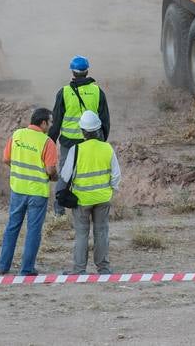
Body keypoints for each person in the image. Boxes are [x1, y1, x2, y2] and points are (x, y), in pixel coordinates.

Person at [0, 107, 58, 277]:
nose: (51, 126)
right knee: (33, 231)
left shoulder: (17, 135)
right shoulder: (47, 142)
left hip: (18, 189)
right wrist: (54, 177)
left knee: (12, 227)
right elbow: (50, 169)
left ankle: (3, 266)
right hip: (37, 192)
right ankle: (27, 269)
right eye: (50, 122)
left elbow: (6, 159)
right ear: (43, 123)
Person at [60, 110, 120, 276]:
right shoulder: (107, 148)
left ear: (82, 131)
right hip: (103, 198)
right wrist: (111, 190)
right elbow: (116, 176)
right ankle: (104, 269)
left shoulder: (76, 150)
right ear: (98, 129)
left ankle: (79, 270)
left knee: (81, 234)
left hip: (81, 200)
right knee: (101, 232)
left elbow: (65, 175)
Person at [48, 54, 110, 215]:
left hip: (68, 142)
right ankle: (91, 204)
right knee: (90, 172)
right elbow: (105, 120)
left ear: (72, 72)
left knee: (65, 172)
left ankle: (59, 209)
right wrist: (102, 141)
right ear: (87, 71)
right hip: (90, 140)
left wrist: (50, 142)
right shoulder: (98, 92)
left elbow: (56, 121)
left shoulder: (64, 92)